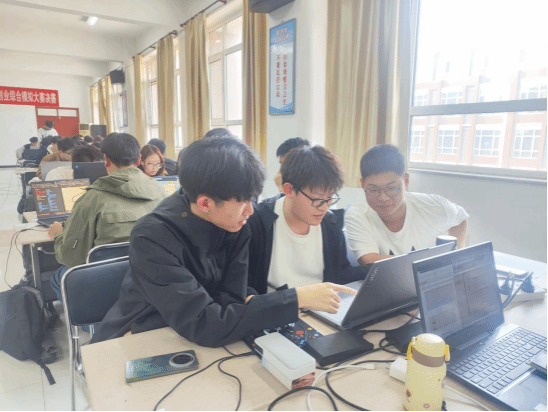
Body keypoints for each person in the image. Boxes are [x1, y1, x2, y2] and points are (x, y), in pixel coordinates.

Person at [91, 137, 356, 346]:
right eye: (242, 202)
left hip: (198, 334)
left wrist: (228, 312)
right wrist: (294, 298)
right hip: (140, 335)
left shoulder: (235, 222)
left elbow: (233, 301)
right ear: (205, 203)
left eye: (253, 199)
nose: (250, 211)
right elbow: (205, 323)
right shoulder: (153, 236)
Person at [49, 133, 168, 301]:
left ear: (105, 160)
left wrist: (57, 235)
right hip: (151, 279)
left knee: (58, 277)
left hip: (105, 285)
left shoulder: (92, 199)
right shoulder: (161, 191)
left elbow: (70, 257)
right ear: (139, 160)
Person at [247, 145, 369, 294]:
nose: (324, 207)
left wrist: (379, 270)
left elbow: (341, 273)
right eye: (317, 199)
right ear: (289, 190)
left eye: (329, 198)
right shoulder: (258, 222)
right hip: (276, 306)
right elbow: (246, 288)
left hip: (322, 306)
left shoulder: (330, 223)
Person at [345, 145, 469, 265]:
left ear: (406, 180)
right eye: (374, 190)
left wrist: (456, 255)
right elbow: (369, 260)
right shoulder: (358, 214)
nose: (383, 198)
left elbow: (460, 218)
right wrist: (429, 262)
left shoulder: (434, 206)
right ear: (362, 184)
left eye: (391, 188)